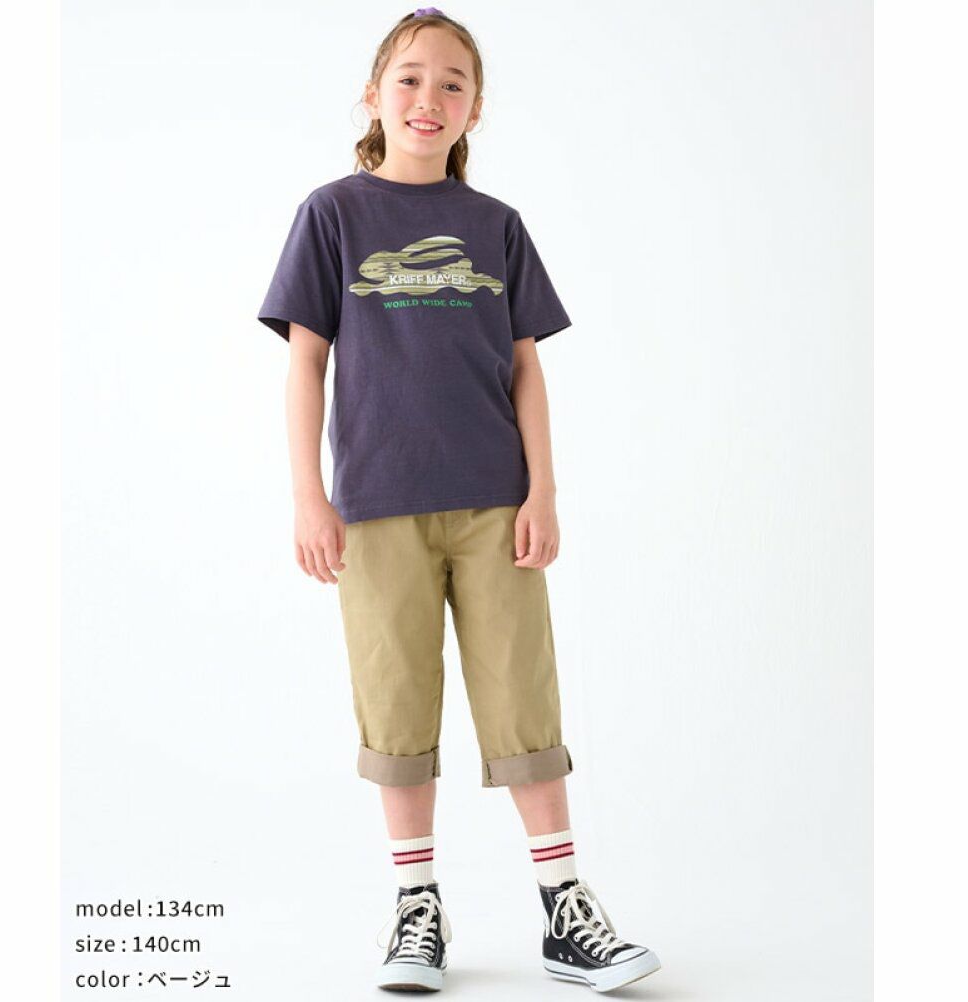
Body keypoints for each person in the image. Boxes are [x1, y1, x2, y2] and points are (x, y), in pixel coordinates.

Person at [257, 7, 661, 994]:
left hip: (494, 506)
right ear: (373, 95)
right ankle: (416, 908)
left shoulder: (496, 227)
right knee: (396, 705)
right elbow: (306, 364)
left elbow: (526, 369)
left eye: (451, 83)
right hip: (376, 506)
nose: (427, 98)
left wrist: (543, 490)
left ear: (475, 108)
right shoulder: (332, 215)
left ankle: (564, 908)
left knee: (524, 699)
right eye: (408, 78)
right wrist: (309, 496)